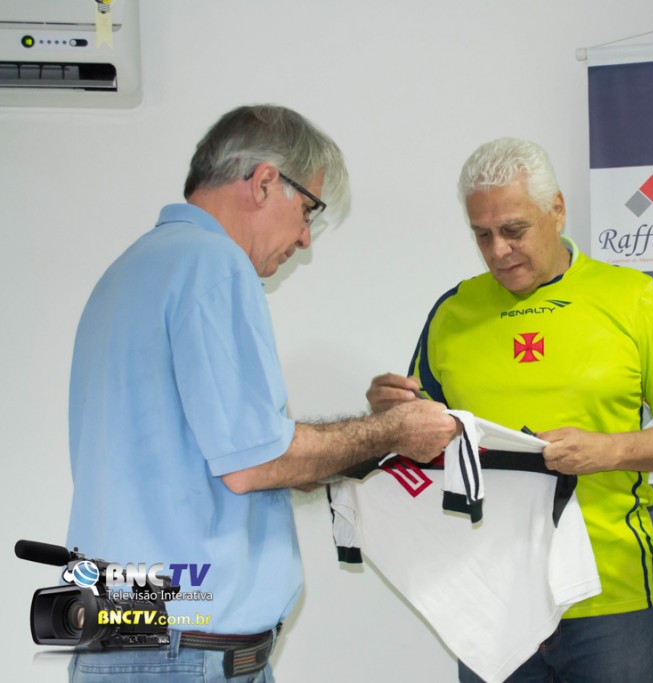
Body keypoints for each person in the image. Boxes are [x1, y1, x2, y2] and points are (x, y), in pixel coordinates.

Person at [65, 104, 459, 682]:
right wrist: (392, 431)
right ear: (265, 182)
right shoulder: (213, 264)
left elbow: (239, 457)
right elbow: (256, 464)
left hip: (127, 635)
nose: (304, 237)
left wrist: (373, 435)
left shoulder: (131, 270)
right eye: (309, 210)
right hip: (185, 653)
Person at [367, 137, 653, 682]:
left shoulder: (631, 297)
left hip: (611, 595)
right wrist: (390, 418)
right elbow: (423, 442)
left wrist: (610, 450)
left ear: (558, 209)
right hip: (491, 597)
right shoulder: (453, 311)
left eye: (514, 229)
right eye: (483, 234)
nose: (499, 250)